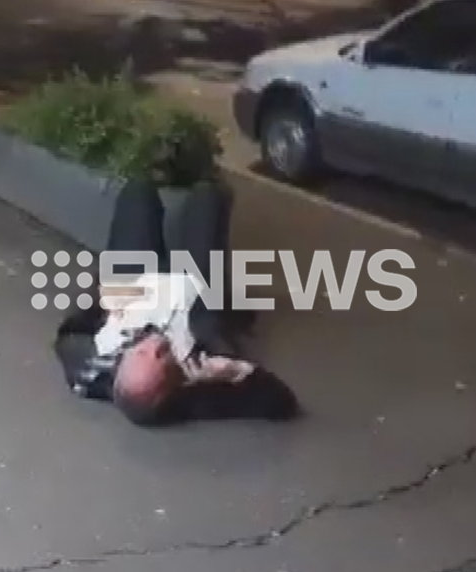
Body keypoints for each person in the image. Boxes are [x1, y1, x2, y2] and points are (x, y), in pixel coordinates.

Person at [53, 179, 299, 426]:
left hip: (134, 281)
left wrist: (100, 294)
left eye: (139, 351)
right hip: (193, 284)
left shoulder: (90, 371)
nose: (154, 342)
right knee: (208, 196)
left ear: (118, 367)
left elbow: (67, 335)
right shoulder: (195, 394)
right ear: (172, 389)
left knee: (138, 192)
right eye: (162, 355)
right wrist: (236, 371)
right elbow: (283, 403)